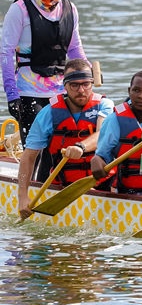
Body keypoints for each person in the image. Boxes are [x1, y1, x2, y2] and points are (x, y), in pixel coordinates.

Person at [2, 0, 88, 147]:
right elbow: (5, 53)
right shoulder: (20, 9)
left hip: (63, 92)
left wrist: (86, 77)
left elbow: (75, 49)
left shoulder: (70, 9)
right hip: (29, 92)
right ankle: (30, 177)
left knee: (62, 149)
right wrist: (12, 94)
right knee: (37, 151)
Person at [17, 59, 114, 220]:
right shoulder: (48, 113)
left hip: (104, 183)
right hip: (62, 186)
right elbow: (28, 157)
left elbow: (102, 135)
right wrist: (23, 197)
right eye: (74, 85)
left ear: (92, 83)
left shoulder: (104, 105)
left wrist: (81, 147)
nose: (81, 90)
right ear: (65, 86)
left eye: (86, 84)